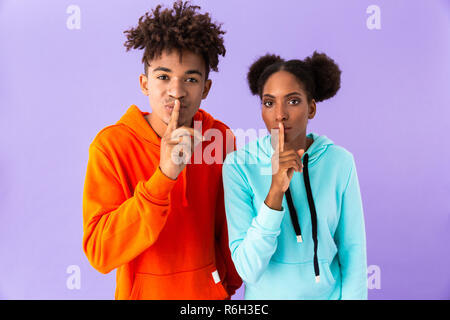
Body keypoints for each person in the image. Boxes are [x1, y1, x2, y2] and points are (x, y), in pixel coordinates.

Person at [82, 0, 241, 300]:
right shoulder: (110, 147)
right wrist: (163, 176)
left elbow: (229, 230)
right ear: (145, 83)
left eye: (191, 79)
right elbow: (100, 251)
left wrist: (222, 290)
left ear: (206, 88)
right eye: (163, 76)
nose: (177, 91)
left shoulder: (221, 138)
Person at [222, 52, 367, 299]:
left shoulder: (340, 162)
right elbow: (248, 269)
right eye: (269, 103)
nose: (280, 114)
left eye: (293, 101)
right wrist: (275, 191)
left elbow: (353, 252)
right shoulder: (239, 165)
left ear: (311, 108)